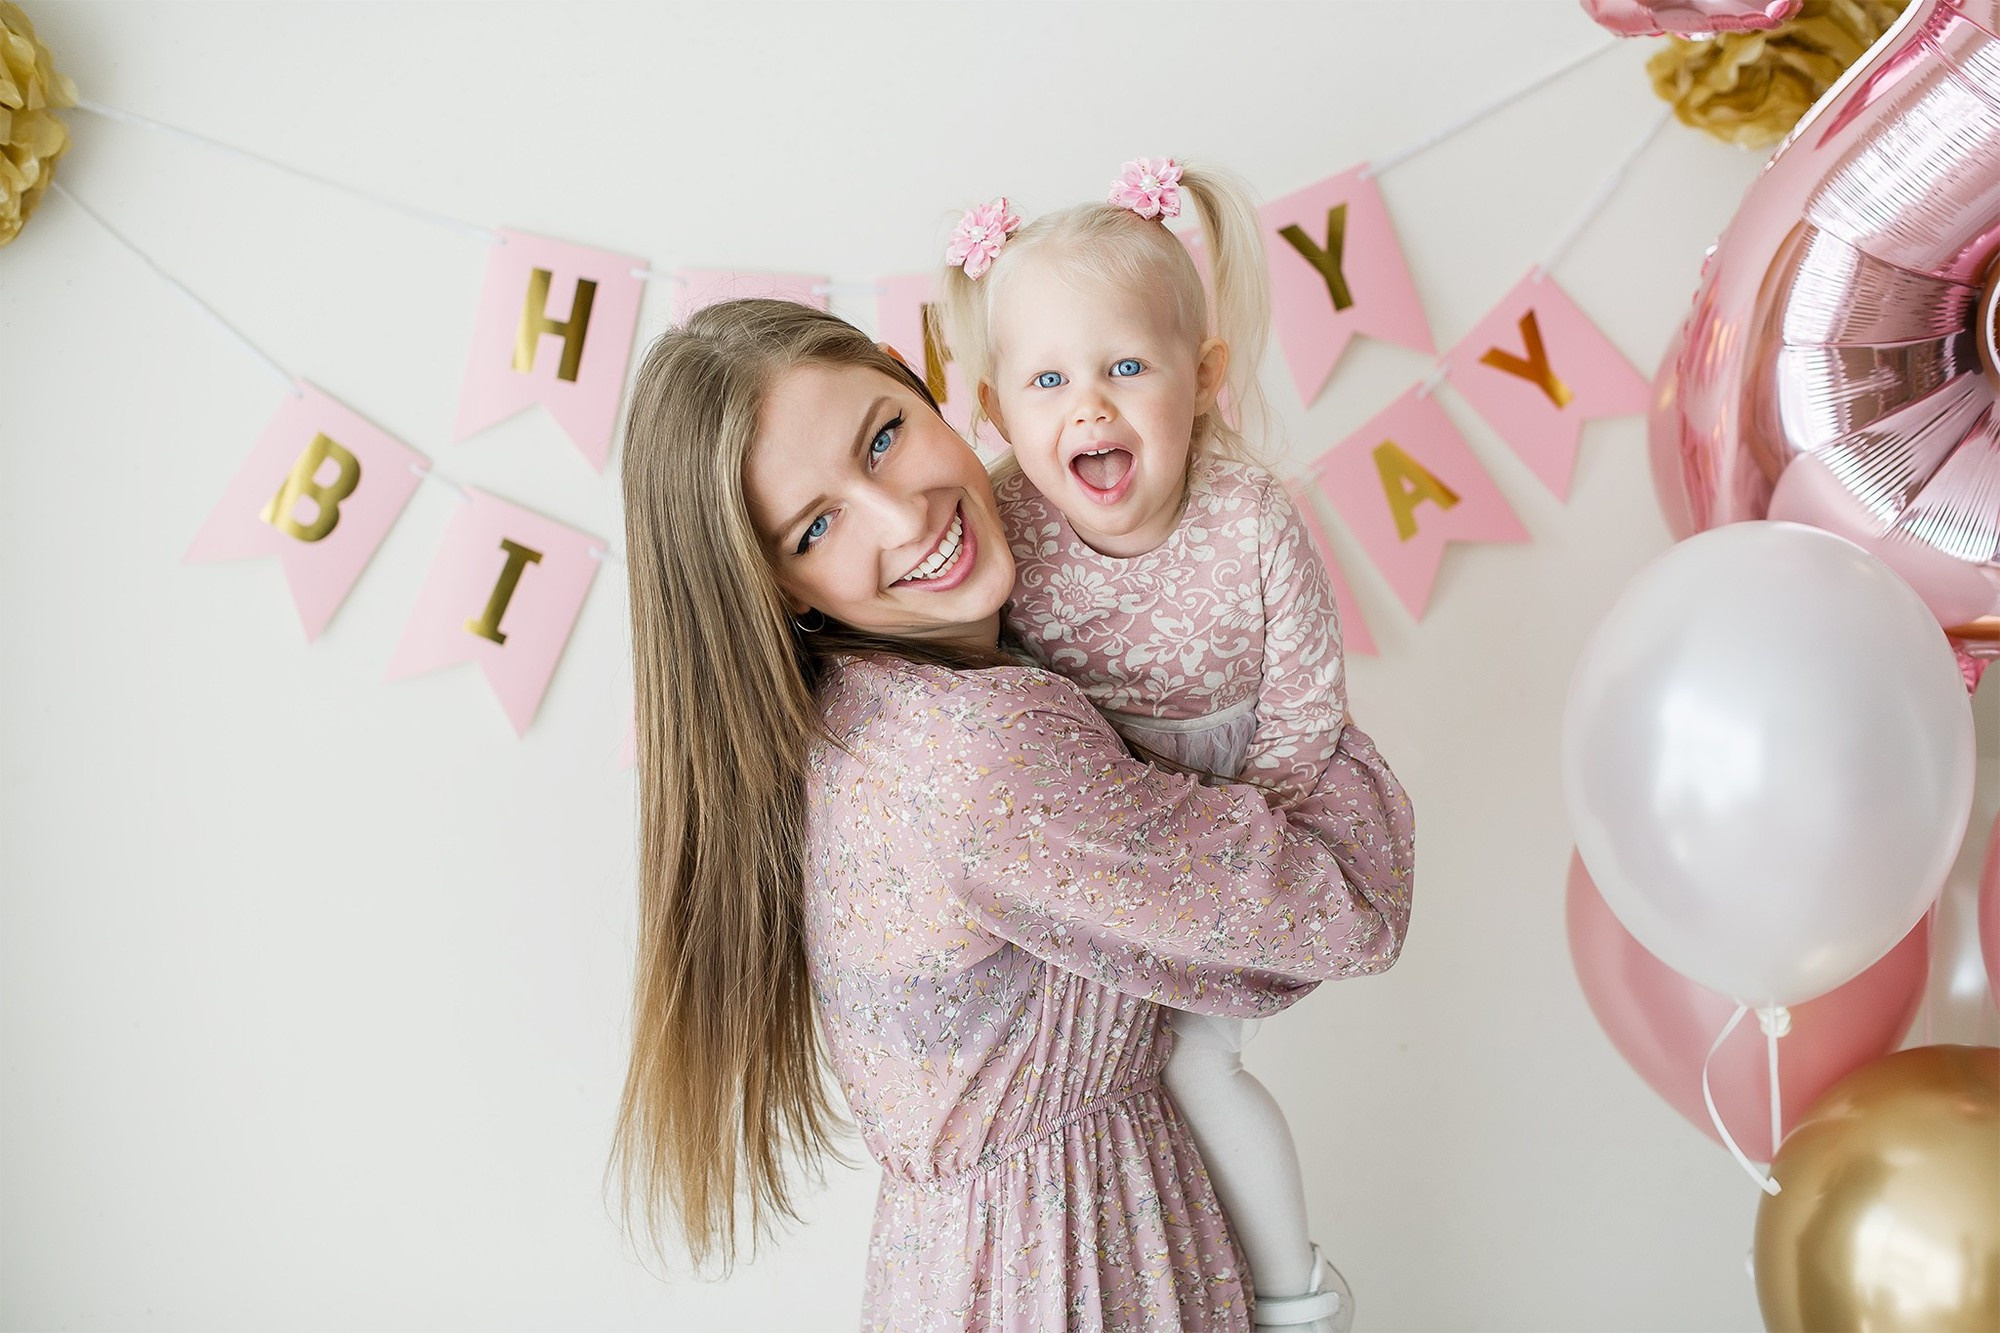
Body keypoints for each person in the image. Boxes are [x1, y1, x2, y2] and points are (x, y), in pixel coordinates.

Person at [611, 297, 1414, 1332]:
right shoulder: (980, 748)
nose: (904, 517)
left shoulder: (858, 709)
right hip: (1076, 1278)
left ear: (915, 378)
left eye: (884, 437)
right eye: (817, 525)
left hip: (967, 1270)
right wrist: (1287, 677)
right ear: (779, 587)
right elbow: (1344, 908)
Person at [934, 158, 1356, 1329]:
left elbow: (1305, 703)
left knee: (1196, 1065)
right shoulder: (1009, 520)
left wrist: (1242, 845)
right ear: (997, 411)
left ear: (1202, 378)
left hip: (1219, 831)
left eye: (1124, 368)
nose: (1088, 408)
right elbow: (983, 677)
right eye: (1049, 380)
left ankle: (1291, 1295)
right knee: (1084, 1080)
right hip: (1082, 837)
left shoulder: (1249, 517)